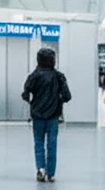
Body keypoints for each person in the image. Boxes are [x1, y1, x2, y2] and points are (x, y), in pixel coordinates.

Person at [22, 48, 71, 182]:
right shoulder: (59, 76)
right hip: (53, 115)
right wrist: (58, 99)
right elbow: (67, 96)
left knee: (38, 142)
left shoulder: (33, 76)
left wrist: (32, 101)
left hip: (37, 115)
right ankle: (51, 173)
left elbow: (25, 94)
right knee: (52, 143)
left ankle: (40, 169)